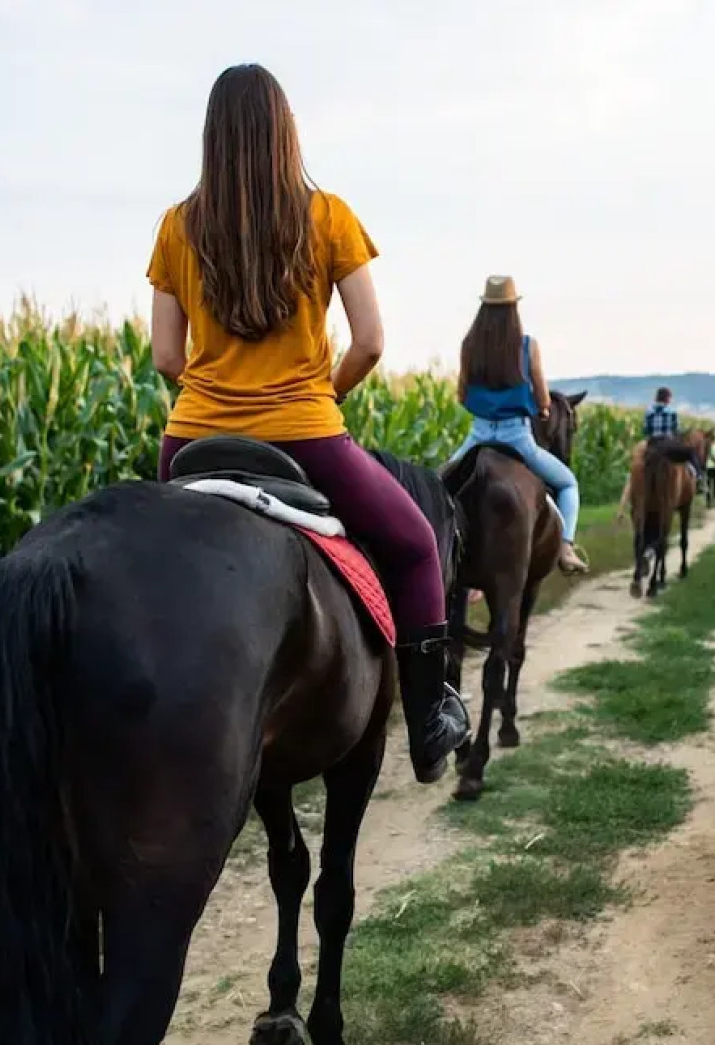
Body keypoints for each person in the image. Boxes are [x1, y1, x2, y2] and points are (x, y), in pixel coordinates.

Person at [145, 63, 469, 784]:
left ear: (212, 137)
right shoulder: (328, 218)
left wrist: (216, 392)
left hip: (191, 441)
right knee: (416, 545)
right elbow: (371, 343)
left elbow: (168, 356)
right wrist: (319, 394)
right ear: (285, 132)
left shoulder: (177, 225)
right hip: (304, 434)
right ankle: (427, 718)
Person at [446, 275, 588, 575]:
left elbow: (462, 394)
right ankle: (565, 547)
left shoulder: (469, 346)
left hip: (479, 435)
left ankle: (437, 549)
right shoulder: (527, 346)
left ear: (483, 308)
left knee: (438, 486)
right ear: (513, 309)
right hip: (517, 437)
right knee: (567, 484)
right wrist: (545, 409)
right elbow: (542, 395)